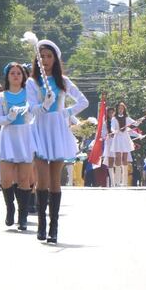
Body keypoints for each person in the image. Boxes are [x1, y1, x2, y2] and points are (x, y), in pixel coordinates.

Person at [26, 39, 88, 244]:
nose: (44, 60)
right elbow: (31, 108)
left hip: (58, 131)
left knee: (55, 182)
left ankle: (54, 227)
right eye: (41, 56)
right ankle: (42, 225)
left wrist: (65, 112)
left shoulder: (63, 81)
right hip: (40, 130)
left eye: (49, 56)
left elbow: (83, 101)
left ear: (55, 59)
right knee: (42, 180)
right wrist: (44, 105)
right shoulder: (32, 82)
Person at [0, 62, 35, 230]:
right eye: (12, 73)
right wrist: (8, 118)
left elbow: (35, 113)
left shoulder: (29, 94)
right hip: (8, 137)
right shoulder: (1, 97)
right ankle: (10, 208)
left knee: (24, 179)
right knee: (6, 179)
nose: (16, 76)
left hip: (25, 136)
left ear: (23, 77)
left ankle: (22, 216)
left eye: (19, 73)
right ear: (7, 77)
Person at [110, 102, 146, 187]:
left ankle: (125, 182)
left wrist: (141, 119)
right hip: (118, 138)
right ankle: (117, 182)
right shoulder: (114, 118)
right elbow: (112, 127)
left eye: (122, 108)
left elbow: (135, 123)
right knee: (118, 158)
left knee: (125, 158)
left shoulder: (127, 118)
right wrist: (113, 131)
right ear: (117, 109)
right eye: (119, 108)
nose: (121, 110)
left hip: (125, 139)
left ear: (124, 109)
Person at [102, 106, 116, 186]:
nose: (111, 114)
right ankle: (113, 183)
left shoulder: (117, 121)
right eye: (109, 112)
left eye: (112, 112)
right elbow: (103, 134)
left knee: (118, 162)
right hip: (110, 143)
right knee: (110, 162)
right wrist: (108, 135)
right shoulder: (106, 123)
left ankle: (118, 181)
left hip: (117, 142)